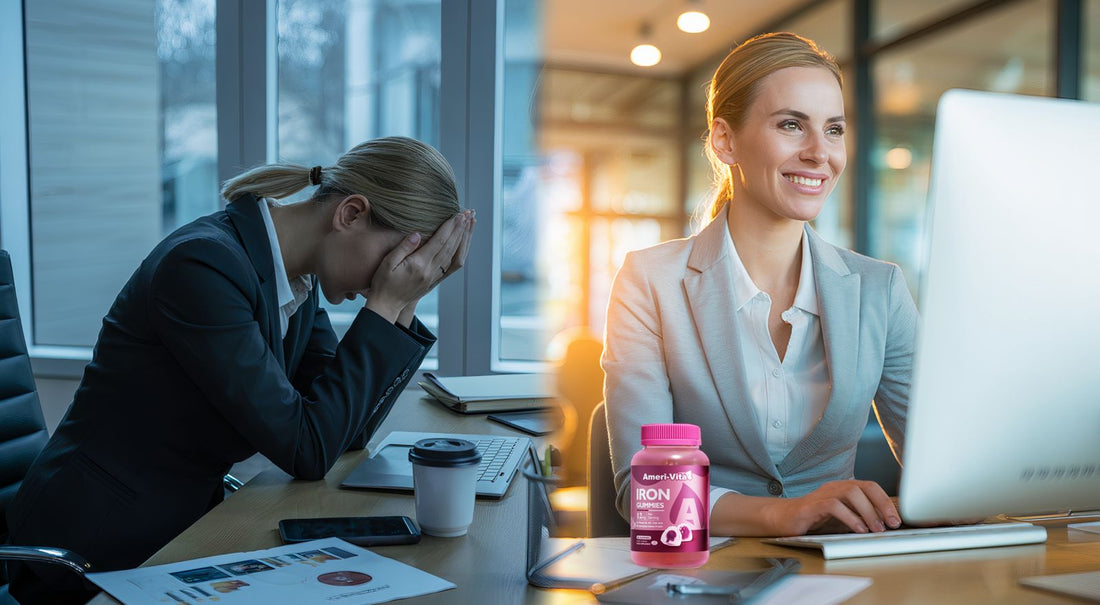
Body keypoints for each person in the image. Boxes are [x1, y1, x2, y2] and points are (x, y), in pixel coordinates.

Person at [7, 136, 474, 603]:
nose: (389, 277)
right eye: (397, 262)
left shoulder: (295, 280)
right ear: (350, 214)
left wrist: (404, 303)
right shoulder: (201, 266)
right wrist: (385, 303)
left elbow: (343, 432)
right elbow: (307, 448)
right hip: (94, 547)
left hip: (183, 531)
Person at [602, 33, 917, 538]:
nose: (820, 153)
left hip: (843, 571)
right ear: (725, 141)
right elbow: (648, 497)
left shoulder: (880, 289)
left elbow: (939, 466)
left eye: (833, 129)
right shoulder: (650, 281)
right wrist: (785, 514)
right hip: (705, 574)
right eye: (792, 125)